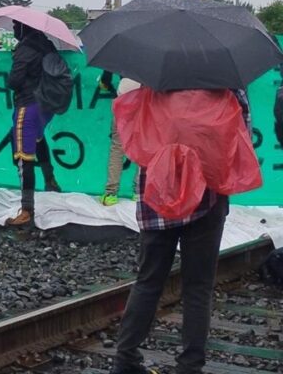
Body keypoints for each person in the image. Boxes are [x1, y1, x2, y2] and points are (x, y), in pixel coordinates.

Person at [110, 88, 258, 374]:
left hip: (157, 194)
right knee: (198, 286)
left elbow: (136, 134)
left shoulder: (153, 78)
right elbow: (242, 137)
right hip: (207, 195)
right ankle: (190, 366)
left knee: (148, 280)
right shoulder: (227, 82)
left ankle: (125, 359)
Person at [7, 21, 61, 225]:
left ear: (23, 28)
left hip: (27, 104)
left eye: (15, 26)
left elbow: (14, 81)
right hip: (45, 104)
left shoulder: (25, 51)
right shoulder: (47, 45)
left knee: (23, 155)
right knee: (38, 138)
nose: (13, 30)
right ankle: (50, 179)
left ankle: (27, 209)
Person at [101, 77, 142, 205]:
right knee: (143, 147)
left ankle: (110, 194)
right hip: (145, 102)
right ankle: (139, 192)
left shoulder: (124, 60)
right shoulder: (154, 62)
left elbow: (106, 81)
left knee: (117, 148)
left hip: (124, 98)